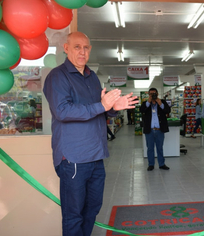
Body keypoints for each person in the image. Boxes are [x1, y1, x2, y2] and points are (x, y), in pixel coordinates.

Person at [43, 32, 138, 236]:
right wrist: (102, 105)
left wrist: (113, 108)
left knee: (92, 209)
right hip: (74, 158)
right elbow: (62, 111)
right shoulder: (58, 76)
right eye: (77, 47)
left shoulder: (92, 76)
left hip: (96, 156)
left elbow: (98, 109)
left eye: (86, 47)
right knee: (74, 215)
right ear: (66, 48)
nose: (82, 51)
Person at [140, 88, 171, 171]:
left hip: (159, 130)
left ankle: (161, 164)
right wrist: (148, 101)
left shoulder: (162, 102)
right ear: (149, 95)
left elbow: (168, 110)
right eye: (151, 94)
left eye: (154, 93)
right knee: (150, 148)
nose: (153, 95)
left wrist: (160, 103)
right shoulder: (146, 103)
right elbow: (141, 110)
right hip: (149, 130)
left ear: (157, 94)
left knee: (159, 148)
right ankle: (151, 164)